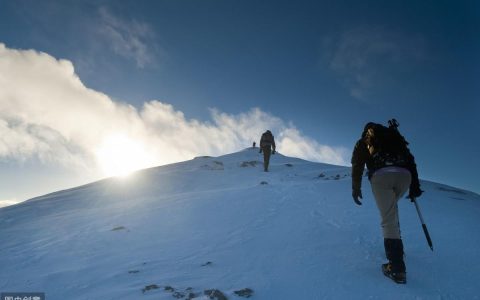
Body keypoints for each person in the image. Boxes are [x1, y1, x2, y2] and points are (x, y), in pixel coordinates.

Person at [351, 120, 423, 284]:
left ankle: (396, 268)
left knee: (388, 218)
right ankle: (398, 251)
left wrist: (356, 189)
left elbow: (357, 164)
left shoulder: (365, 141)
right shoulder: (394, 138)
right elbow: (410, 159)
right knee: (391, 212)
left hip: (382, 175)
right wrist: (414, 186)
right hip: (405, 176)